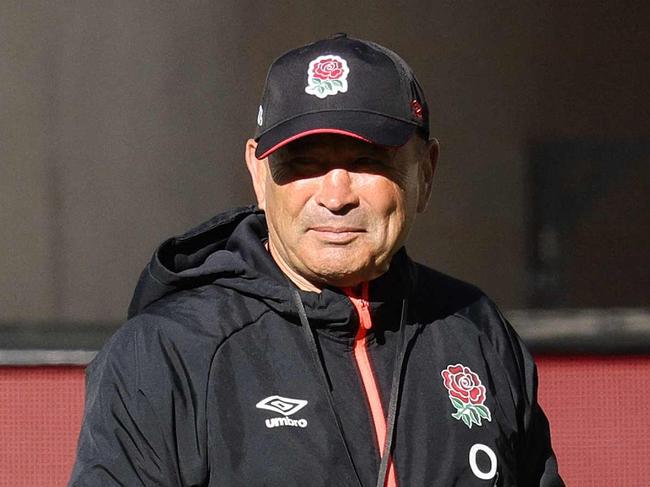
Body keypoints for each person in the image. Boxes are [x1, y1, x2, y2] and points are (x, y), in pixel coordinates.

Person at [69, 34, 563, 486]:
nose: (335, 194)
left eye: (367, 160)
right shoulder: (165, 353)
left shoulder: (476, 331)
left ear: (425, 173)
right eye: (303, 163)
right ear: (259, 175)